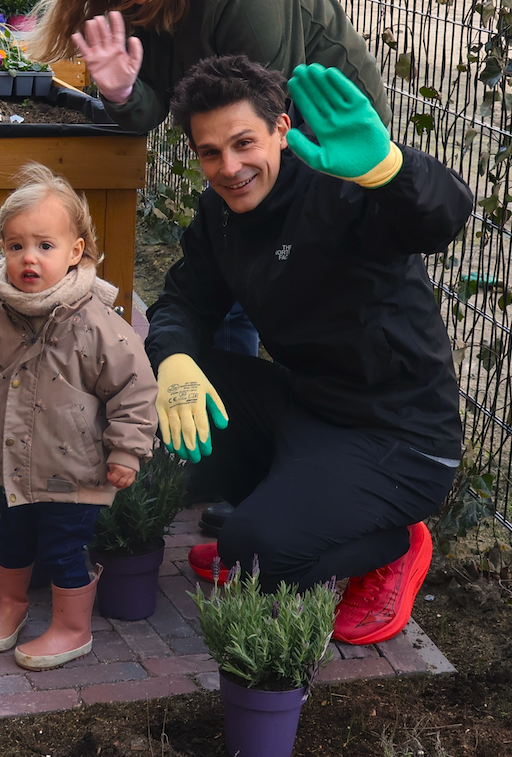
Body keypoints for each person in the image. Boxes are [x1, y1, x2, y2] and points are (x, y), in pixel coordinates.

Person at [144, 55, 472, 647]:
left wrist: (388, 168)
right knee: (154, 398)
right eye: (211, 152)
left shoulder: (338, 189)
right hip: (309, 408)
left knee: (253, 556)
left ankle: (392, 543)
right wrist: (173, 361)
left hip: (399, 439)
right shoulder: (220, 213)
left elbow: (441, 217)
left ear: (281, 128)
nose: (230, 167)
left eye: (245, 142)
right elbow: (183, 303)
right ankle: (294, 518)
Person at [35, 0, 391, 359]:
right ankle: (223, 390)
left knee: (296, 277)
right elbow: (152, 111)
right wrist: (121, 90)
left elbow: (266, 118)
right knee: (232, 260)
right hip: (256, 142)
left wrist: (237, 182)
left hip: (331, 141)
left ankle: (289, 391)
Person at [0, 164, 156, 670]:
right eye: (16, 246)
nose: (29, 258)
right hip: (15, 464)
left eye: (45, 245)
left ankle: (71, 627)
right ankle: (12, 604)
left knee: (64, 548)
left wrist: (127, 450)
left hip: (76, 469)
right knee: (12, 536)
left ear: (75, 252)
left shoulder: (95, 323)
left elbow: (133, 387)